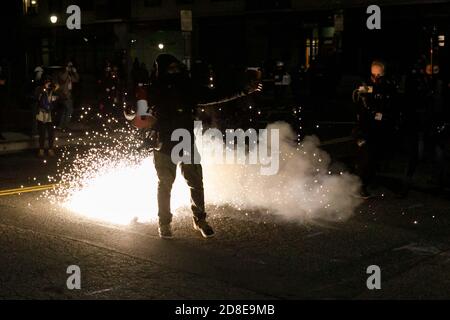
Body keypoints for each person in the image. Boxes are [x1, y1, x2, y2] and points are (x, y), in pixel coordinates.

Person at [148, 54, 215, 239]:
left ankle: (200, 220)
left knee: (196, 182)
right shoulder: (154, 89)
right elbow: (141, 113)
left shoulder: (187, 87)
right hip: (164, 143)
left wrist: (243, 90)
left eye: (176, 68)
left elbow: (212, 95)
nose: (174, 72)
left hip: (185, 140)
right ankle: (164, 223)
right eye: (170, 68)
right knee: (165, 184)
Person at [353, 60, 397, 198]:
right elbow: (360, 106)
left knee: (375, 157)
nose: (377, 77)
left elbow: (390, 103)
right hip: (366, 127)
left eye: (380, 75)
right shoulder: (366, 86)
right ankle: (360, 186)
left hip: (380, 127)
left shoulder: (387, 85)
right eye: (375, 75)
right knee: (365, 158)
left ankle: (368, 181)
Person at [401, 62, 446, 195]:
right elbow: (412, 100)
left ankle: (439, 183)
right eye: (429, 69)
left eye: (435, 70)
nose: (432, 72)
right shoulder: (419, 82)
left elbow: (443, 103)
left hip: (436, 122)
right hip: (421, 123)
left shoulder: (441, 83)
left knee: (439, 155)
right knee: (415, 155)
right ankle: (406, 185)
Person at [35, 77, 58, 157]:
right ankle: (41, 150)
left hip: (50, 115)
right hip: (42, 114)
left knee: (51, 133)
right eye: (46, 82)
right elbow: (38, 99)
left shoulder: (52, 91)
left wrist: (54, 90)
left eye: (49, 82)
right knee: (42, 133)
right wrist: (43, 90)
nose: (48, 84)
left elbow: (56, 100)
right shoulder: (40, 90)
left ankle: (50, 149)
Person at [58, 61, 79, 129]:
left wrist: (75, 72)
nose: (70, 68)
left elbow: (76, 79)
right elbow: (63, 79)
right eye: (69, 66)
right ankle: (65, 126)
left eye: (71, 66)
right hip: (64, 94)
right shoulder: (61, 73)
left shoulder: (69, 75)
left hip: (68, 94)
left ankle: (61, 125)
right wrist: (67, 71)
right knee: (69, 110)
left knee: (65, 111)